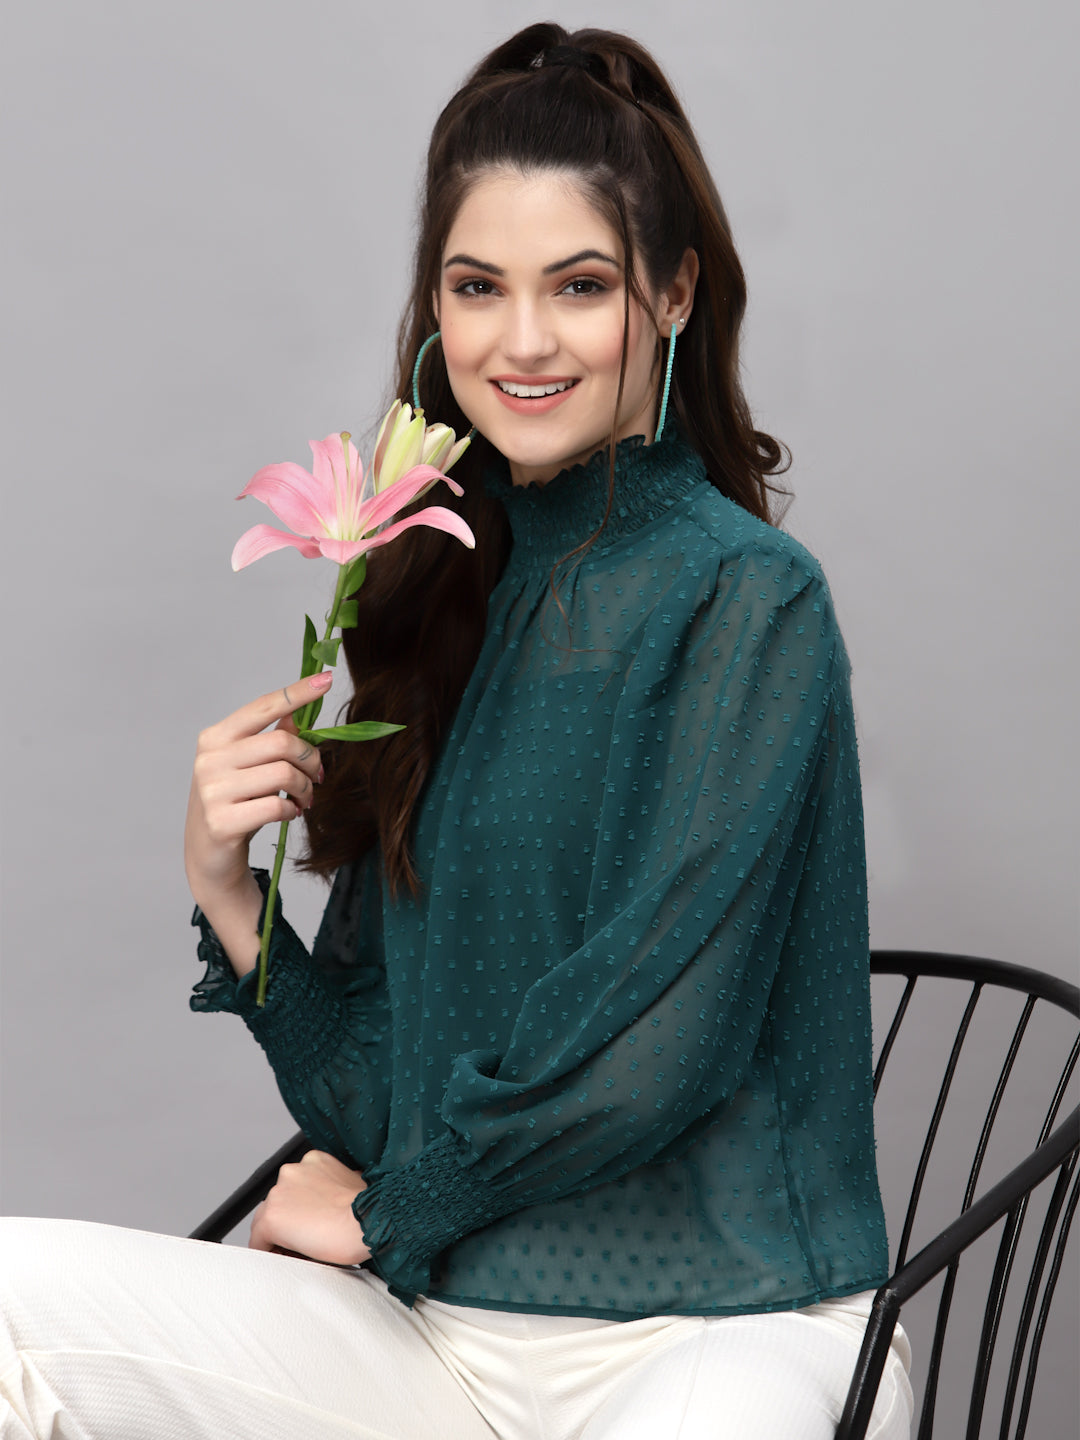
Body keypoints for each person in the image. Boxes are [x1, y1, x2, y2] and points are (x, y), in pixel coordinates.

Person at [0, 23, 914, 1440]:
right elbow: (387, 1091)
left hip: (719, 1335)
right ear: (435, 307)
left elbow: (658, 1047)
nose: (522, 341)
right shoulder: (439, 596)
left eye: (581, 285)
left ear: (674, 293)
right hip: (435, 1330)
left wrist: (387, 1211)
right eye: (478, 286)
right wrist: (230, 897)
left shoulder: (748, 598)